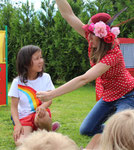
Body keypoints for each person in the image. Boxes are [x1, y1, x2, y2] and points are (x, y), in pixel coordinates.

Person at [36, 0, 134, 137]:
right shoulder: (93, 39)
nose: (89, 38)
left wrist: (51, 94)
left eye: (92, 36)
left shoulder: (113, 55)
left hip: (128, 95)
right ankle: (115, 132)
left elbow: (84, 79)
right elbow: (68, 14)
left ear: (102, 38)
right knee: (87, 130)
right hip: (109, 96)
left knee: (121, 133)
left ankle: (120, 131)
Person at [8, 45, 60, 146]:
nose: (41, 61)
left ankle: (47, 130)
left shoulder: (46, 77)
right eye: (36, 58)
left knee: (43, 118)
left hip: (40, 116)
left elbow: (49, 99)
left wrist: (42, 107)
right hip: (25, 117)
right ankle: (42, 132)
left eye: (41, 57)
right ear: (26, 63)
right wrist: (18, 124)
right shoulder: (17, 82)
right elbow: (14, 107)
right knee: (21, 143)